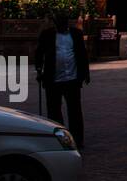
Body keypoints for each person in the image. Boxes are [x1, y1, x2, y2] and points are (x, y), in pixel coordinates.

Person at [33, 8, 91, 149]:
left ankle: (77, 139)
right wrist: (39, 69)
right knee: (54, 111)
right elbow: (39, 53)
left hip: (72, 79)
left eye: (64, 22)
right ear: (55, 23)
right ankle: (58, 139)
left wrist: (85, 74)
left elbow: (82, 55)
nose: (62, 24)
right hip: (53, 79)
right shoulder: (47, 35)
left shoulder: (76, 34)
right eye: (59, 22)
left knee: (75, 110)